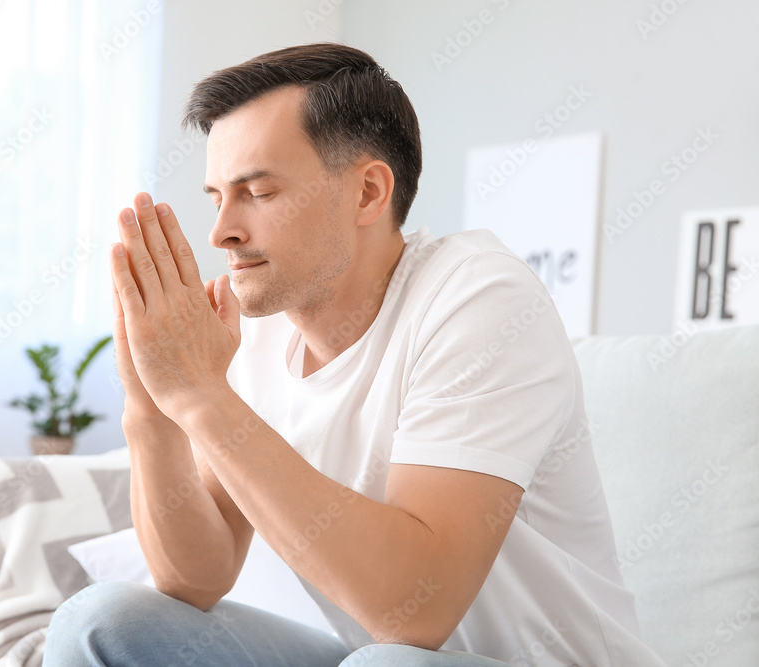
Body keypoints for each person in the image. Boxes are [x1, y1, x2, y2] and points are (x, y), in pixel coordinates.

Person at [43, 43, 665, 666]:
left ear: (368, 192)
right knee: (102, 622)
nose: (221, 232)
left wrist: (201, 395)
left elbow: (414, 611)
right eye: (216, 198)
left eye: (257, 192)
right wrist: (150, 404)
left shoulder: (479, 298)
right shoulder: (257, 333)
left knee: (384, 661)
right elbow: (196, 579)